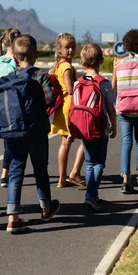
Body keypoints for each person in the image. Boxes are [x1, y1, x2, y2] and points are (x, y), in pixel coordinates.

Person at [0, 35, 61, 233]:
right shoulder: (40, 76)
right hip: (37, 130)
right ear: (36, 55)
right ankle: (46, 208)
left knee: (16, 171)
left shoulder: (9, 78)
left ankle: (12, 217)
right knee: (41, 170)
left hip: (14, 131)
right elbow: (51, 99)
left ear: (14, 57)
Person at [111, 29, 138, 194]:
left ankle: (125, 179)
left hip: (123, 109)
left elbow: (113, 86)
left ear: (125, 45)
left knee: (126, 142)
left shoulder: (119, 64)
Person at [75, 44, 117, 211]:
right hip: (100, 128)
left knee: (89, 162)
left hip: (83, 128)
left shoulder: (79, 82)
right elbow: (111, 109)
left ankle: (93, 194)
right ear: (101, 60)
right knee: (99, 163)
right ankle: (91, 195)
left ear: (81, 62)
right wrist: (114, 125)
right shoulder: (104, 84)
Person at [49, 33, 86, 188]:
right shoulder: (66, 67)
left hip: (63, 106)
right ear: (59, 49)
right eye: (67, 47)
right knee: (87, 138)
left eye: (73, 47)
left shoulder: (57, 65)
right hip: (70, 106)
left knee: (65, 143)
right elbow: (71, 90)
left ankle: (62, 178)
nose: (71, 50)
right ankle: (74, 173)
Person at [0, 28, 21, 188]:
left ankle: (5, 171)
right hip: (13, 107)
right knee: (12, 142)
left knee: (8, 141)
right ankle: (6, 172)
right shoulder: (17, 64)